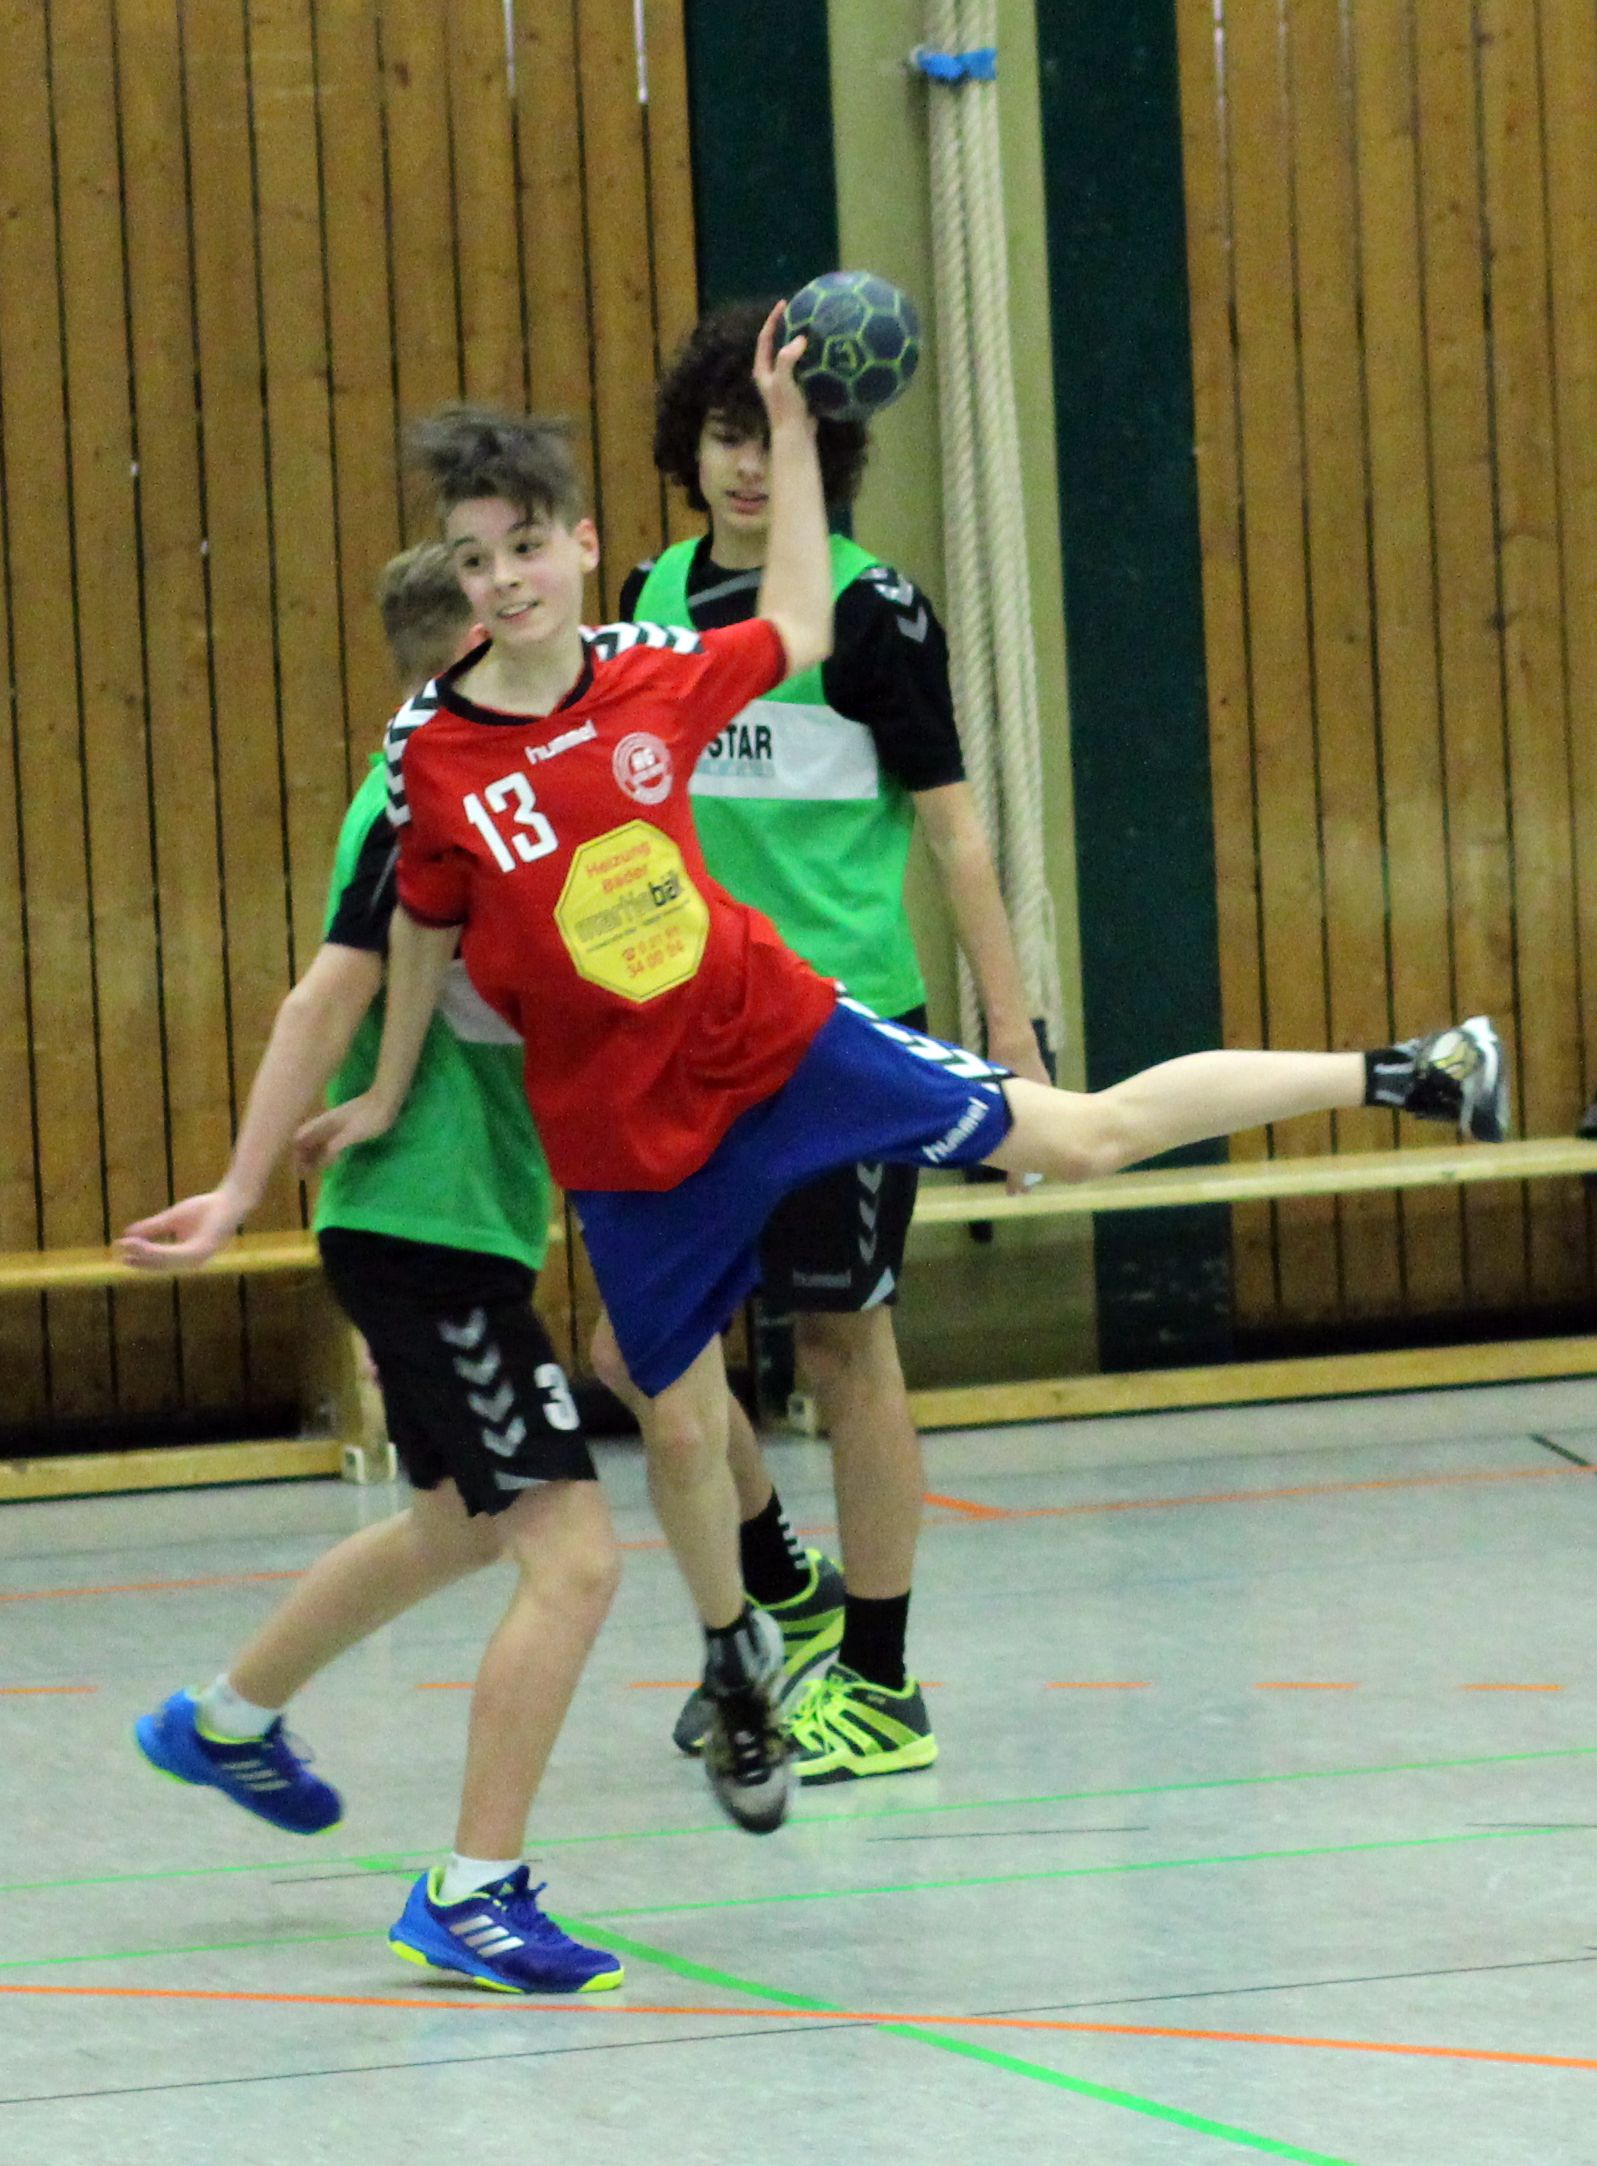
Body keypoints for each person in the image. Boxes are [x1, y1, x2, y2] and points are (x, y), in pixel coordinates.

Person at [296, 305, 1509, 1842]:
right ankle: (739, 1644)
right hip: (630, 1125)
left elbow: (826, 655)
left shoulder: (672, 663)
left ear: (577, 545)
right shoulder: (441, 746)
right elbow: (413, 928)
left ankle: (1396, 1069)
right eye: (478, 561)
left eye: (528, 547)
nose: (506, 579)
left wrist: (1010, 1017)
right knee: (663, 1401)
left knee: (1051, 1158)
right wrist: (385, 1090)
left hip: (790, 1031)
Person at [119, 543, 624, 1996]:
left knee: (459, 1527)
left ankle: (223, 1721)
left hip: (462, 1217)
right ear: (467, 643)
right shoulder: (418, 797)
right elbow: (325, 993)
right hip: (422, 1222)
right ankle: (474, 1893)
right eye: (507, 597)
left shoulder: (499, 779)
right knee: (574, 1555)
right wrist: (236, 1191)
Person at [604, 297, 1051, 1784]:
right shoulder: (649, 598)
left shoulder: (873, 615)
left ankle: (878, 1679)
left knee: (841, 1340)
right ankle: (775, 1580)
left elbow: (958, 837)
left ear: (822, 450)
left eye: (773, 438)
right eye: (724, 435)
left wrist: (1012, 1040)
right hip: (683, 1031)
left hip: (836, 1032)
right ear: (689, 448)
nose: (746, 465)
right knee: (638, 1345)